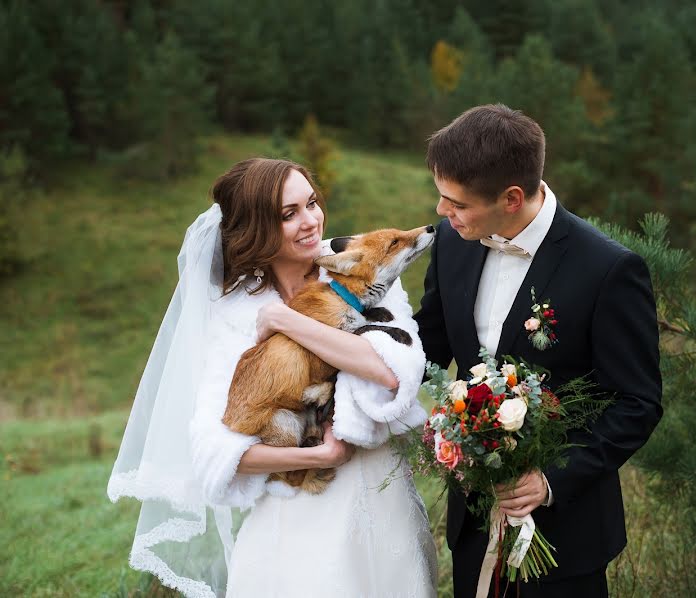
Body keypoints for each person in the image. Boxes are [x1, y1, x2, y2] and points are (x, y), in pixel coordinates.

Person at [108, 158, 438, 598]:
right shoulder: (232, 315)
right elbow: (215, 455)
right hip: (294, 515)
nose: (311, 222)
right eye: (289, 214)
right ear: (257, 229)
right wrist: (316, 459)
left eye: (312, 203)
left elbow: (392, 372)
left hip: (381, 497)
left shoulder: (360, 272)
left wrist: (288, 320)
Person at [414, 105, 663, 597]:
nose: (443, 213)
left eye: (456, 203)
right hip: (474, 520)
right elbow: (429, 343)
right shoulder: (452, 240)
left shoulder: (608, 270)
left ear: (511, 198)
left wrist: (550, 479)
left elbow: (637, 403)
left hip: (564, 536)